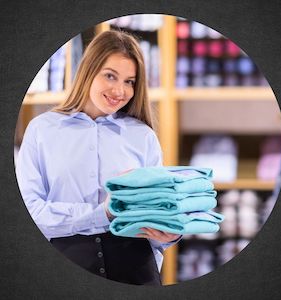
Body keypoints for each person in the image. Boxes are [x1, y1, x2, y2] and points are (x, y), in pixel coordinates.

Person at [16, 30, 180, 285]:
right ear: (88, 71)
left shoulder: (143, 136)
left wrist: (167, 235)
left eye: (130, 81)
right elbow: (32, 214)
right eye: (110, 76)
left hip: (136, 271)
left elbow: (154, 217)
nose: (120, 90)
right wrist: (103, 213)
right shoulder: (42, 130)